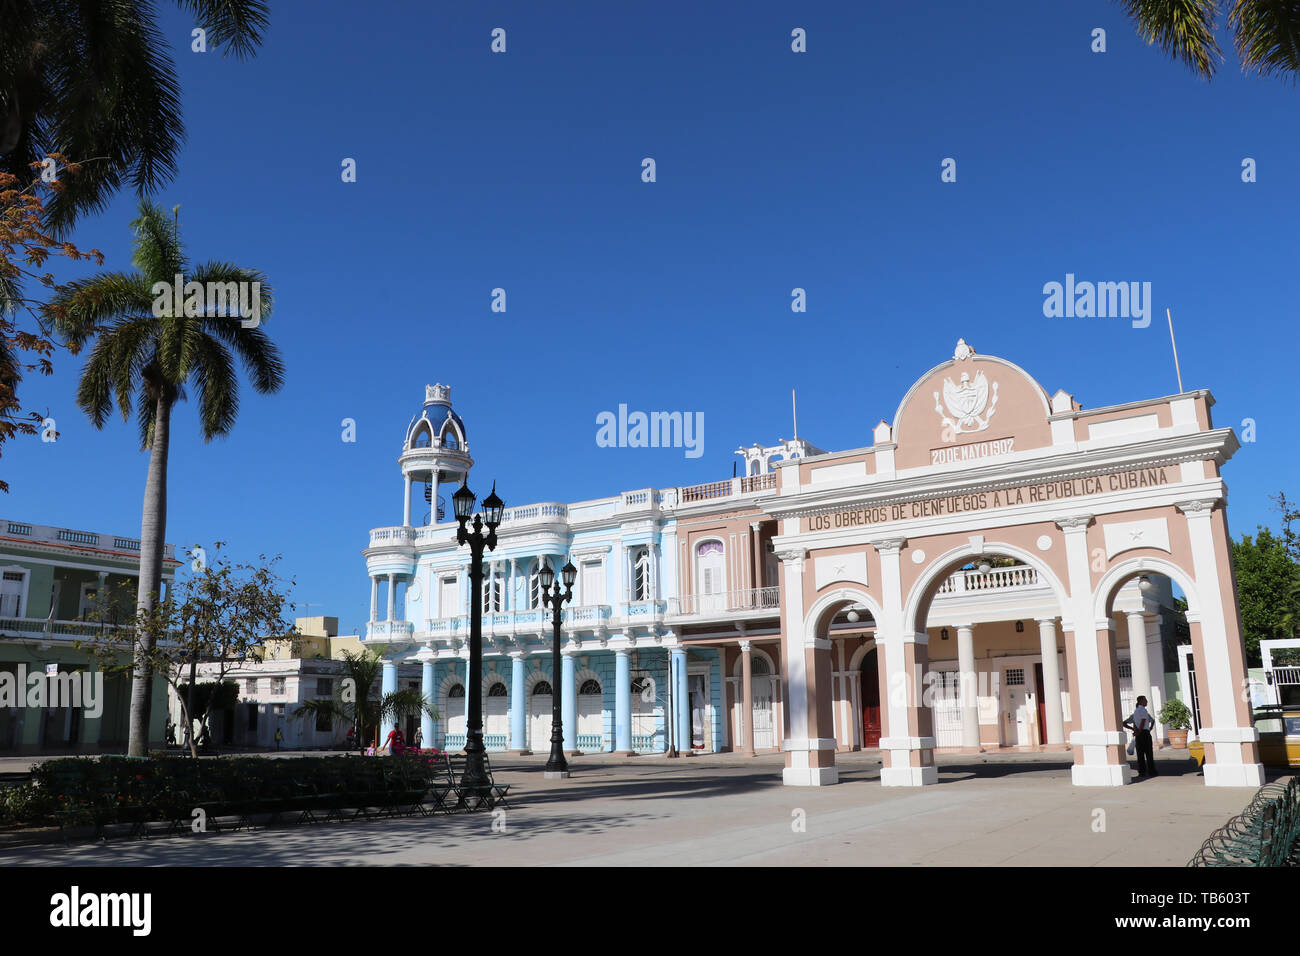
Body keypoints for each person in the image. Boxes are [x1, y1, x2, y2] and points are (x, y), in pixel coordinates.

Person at [1123, 695, 1157, 777]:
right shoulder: (1143, 710)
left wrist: (1135, 730)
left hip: (1139, 734)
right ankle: (1151, 771)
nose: (1146, 702)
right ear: (1141, 701)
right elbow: (1143, 721)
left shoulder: (1135, 712)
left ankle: (1142, 772)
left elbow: (1130, 723)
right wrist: (1139, 731)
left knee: (1140, 754)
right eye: (1145, 700)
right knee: (1149, 753)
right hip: (1144, 733)